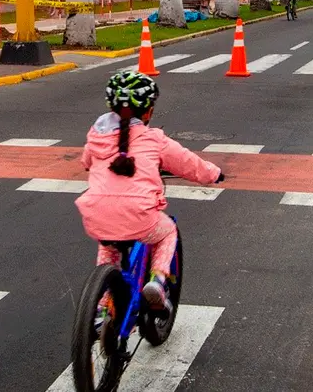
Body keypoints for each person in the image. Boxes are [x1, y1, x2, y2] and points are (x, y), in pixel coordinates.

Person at [75, 72, 224, 316]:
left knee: (109, 246)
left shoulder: (96, 137)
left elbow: (86, 162)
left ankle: (103, 305)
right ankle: (157, 281)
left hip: (96, 214)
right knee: (167, 232)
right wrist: (214, 174)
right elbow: (189, 163)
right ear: (148, 112)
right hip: (141, 215)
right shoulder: (153, 139)